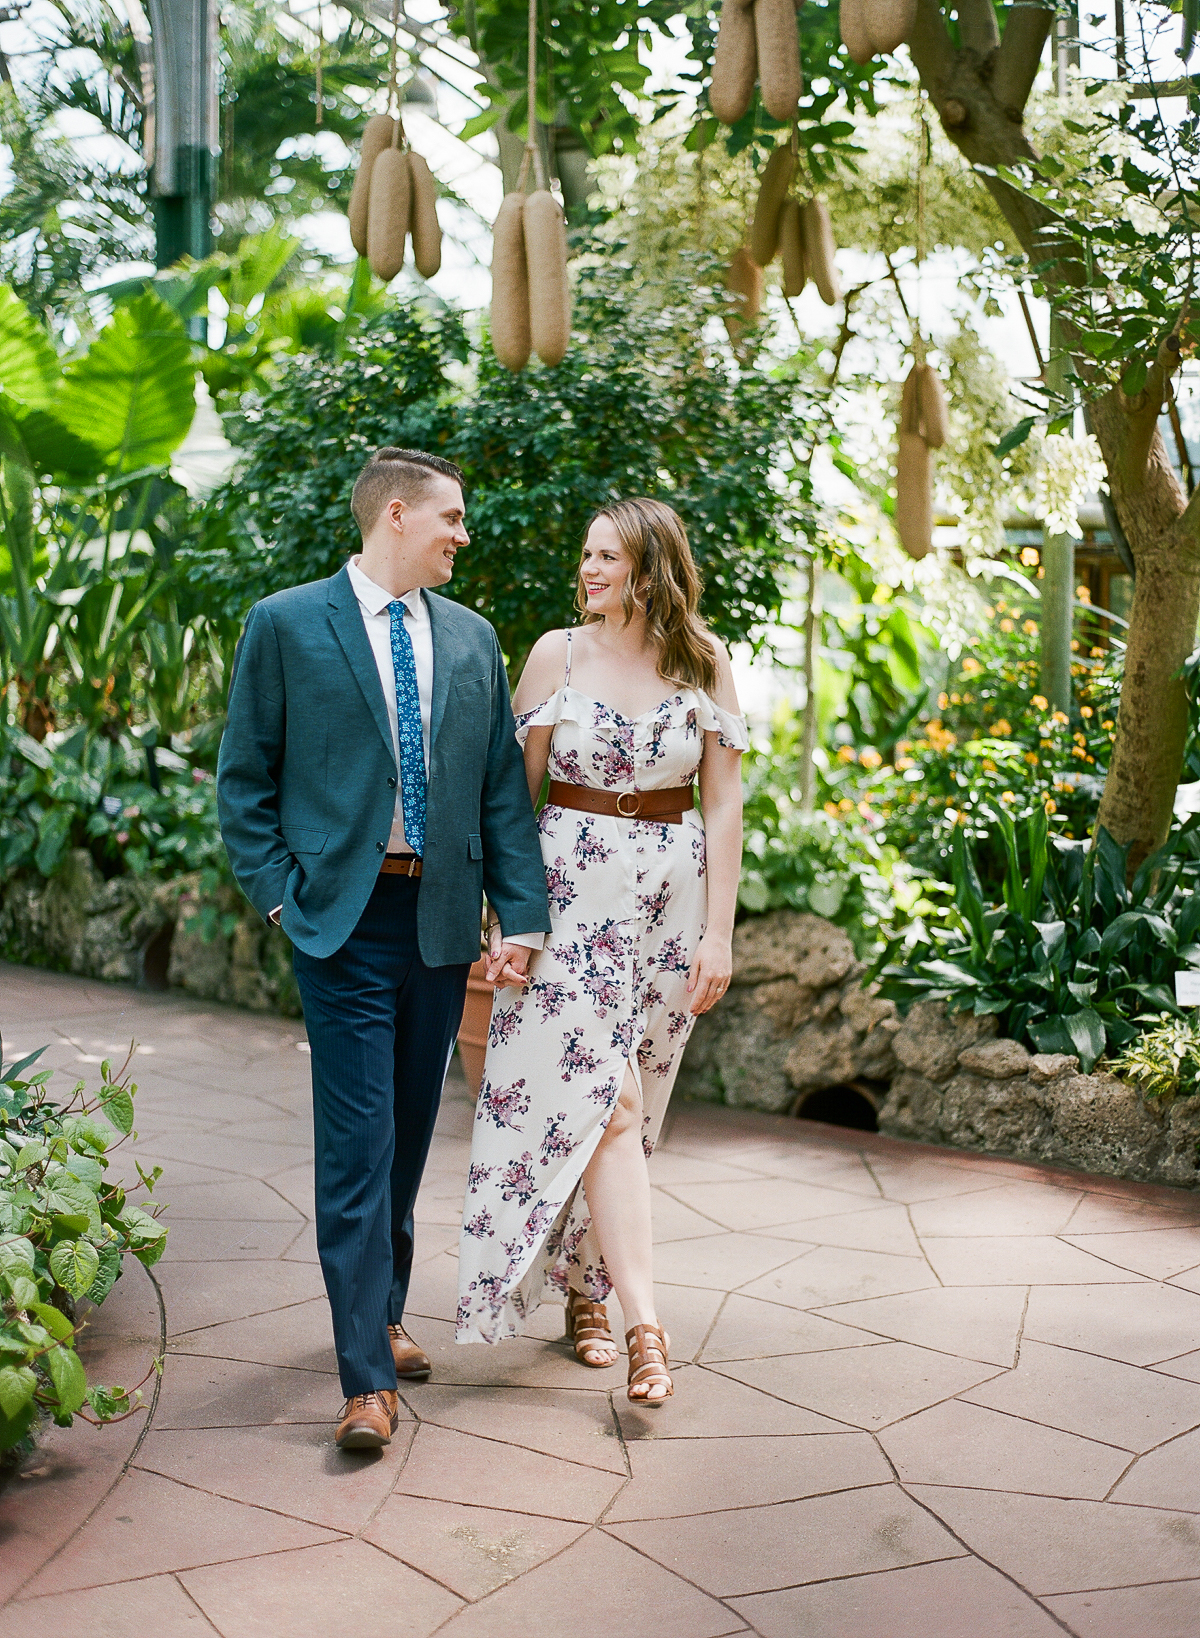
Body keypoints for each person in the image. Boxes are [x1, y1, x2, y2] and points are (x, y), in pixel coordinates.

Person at [217, 447, 550, 1451]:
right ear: (397, 514)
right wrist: (282, 900)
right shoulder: (285, 624)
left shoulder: (471, 640)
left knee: (406, 1137)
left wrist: (519, 917)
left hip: (440, 925)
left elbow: (499, 789)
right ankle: (365, 1380)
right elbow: (244, 784)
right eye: (451, 518)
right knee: (357, 1148)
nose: (462, 535)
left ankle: (385, 1310)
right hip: (341, 926)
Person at [455, 497, 746, 1405]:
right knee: (604, 1098)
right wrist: (504, 915)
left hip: (669, 897)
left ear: (651, 568)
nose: (587, 570)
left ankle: (589, 1292)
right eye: (585, 554)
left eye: (606, 557)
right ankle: (645, 1328)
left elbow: (725, 801)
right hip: (566, 895)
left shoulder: (705, 660)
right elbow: (514, 793)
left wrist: (718, 934)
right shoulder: (558, 653)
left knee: (638, 1105)